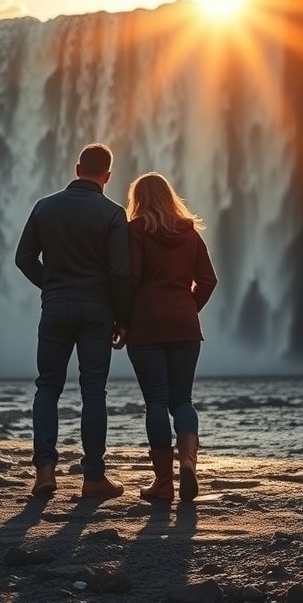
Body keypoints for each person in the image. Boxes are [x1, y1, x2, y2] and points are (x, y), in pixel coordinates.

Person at [15, 143, 131, 499]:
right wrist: (122, 317)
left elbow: (24, 258)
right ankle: (93, 477)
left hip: (55, 308)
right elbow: (120, 271)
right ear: (107, 176)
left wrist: (51, 285)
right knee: (93, 391)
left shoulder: (44, 206)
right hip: (97, 311)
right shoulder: (113, 214)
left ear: (78, 167)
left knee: (47, 388)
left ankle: (45, 472)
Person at [122, 172, 217, 502]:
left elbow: (130, 279)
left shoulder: (134, 231)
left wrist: (122, 321)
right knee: (182, 400)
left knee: (156, 403)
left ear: (139, 199)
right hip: (184, 324)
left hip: (146, 324)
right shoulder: (190, 232)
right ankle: (188, 462)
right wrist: (189, 307)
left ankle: (164, 483)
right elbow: (208, 280)